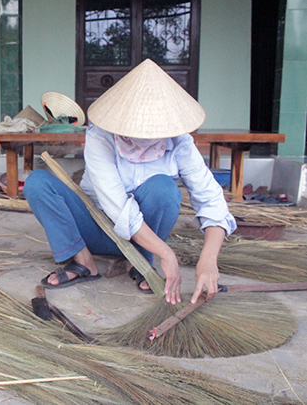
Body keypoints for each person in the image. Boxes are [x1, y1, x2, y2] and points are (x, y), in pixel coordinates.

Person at [24, 59, 236, 305]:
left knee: (164, 189)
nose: (143, 135)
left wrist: (209, 260)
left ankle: (142, 261)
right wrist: (166, 253)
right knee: (38, 182)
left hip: (147, 241)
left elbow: (211, 199)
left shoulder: (180, 143)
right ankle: (83, 261)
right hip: (96, 228)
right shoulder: (100, 136)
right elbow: (117, 206)